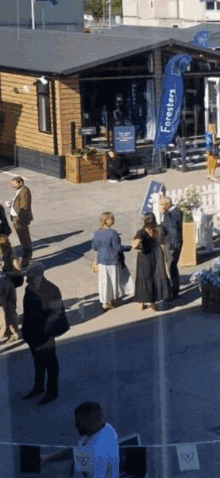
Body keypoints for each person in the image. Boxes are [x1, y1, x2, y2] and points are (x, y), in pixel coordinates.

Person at [40, 402, 119, 477]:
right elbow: (74, 452)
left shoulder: (93, 452)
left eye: (78, 422)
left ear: (91, 421)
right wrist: (48, 458)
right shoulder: (107, 429)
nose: (76, 426)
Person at [21, 262, 62, 404]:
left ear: (38, 275)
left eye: (29, 276)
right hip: (32, 333)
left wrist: (48, 332)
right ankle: (38, 387)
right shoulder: (29, 289)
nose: (27, 279)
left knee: (51, 363)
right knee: (38, 362)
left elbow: (56, 313)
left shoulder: (51, 290)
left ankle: (52, 392)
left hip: (45, 334)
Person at [91, 212, 131, 312]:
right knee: (113, 282)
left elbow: (94, 247)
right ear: (106, 220)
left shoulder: (97, 232)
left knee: (104, 282)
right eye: (112, 218)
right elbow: (118, 248)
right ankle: (112, 300)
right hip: (112, 260)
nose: (113, 220)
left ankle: (105, 302)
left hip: (101, 260)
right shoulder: (113, 233)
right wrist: (128, 247)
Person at [133, 213, 169, 312]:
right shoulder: (158, 230)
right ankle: (153, 303)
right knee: (153, 278)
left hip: (144, 256)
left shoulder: (141, 232)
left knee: (143, 278)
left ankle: (142, 302)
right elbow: (162, 241)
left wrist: (140, 248)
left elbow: (134, 245)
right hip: (156, 255)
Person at [160, 196, 183, 299]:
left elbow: (172, 228)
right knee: (171, 266)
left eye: (162, 204)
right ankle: (174, 287)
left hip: (172, 243)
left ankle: (174, 290)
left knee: (171, 266)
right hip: (169, 242)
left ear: (167, 204)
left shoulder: (175, 212)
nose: (160, 207)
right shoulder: (169, 213)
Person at [7, 176, 32, 268]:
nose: (13, 185)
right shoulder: (19, 190)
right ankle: (27, 256)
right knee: (23, 238)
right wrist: (12, 204)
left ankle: (27, 258)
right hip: (16, 217)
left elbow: (25, 207)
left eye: (14, 184)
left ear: (20, 182)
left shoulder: (24, 191)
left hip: (20, 219)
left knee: (24, 239)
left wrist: (20, 219)